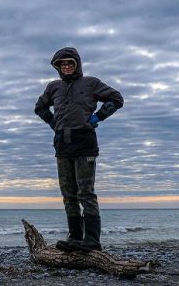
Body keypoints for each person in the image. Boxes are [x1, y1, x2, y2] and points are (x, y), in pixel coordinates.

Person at [34, 47, 123, 252]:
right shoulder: (53, 87)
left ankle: (92, 241)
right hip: (62, 144)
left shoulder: (91, 83)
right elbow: (39, 107)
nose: (66, 66)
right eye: (62, 64)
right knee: (68, 193)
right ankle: (75, 238)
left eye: (69, 63)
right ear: (58, 67)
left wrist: (98, 117)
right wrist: (53, 122)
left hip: (85, 143)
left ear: (77, 64)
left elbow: (117, 99)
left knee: (86, 192)